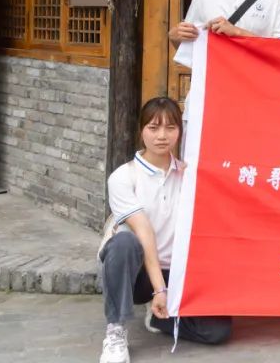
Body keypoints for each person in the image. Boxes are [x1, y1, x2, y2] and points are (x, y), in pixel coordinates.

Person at [98, 97, 231, 363]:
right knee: (124, 243)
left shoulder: (188, 176)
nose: (162, 136)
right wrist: (159, 289)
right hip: (138, 275)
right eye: (153, 127)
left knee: (217, 330)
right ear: (141, 131)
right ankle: (115, 330)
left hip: (176, 273)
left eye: (170, 128)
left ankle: (158, 319)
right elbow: (144, 231)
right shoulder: (123, 177)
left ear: (180, 131)